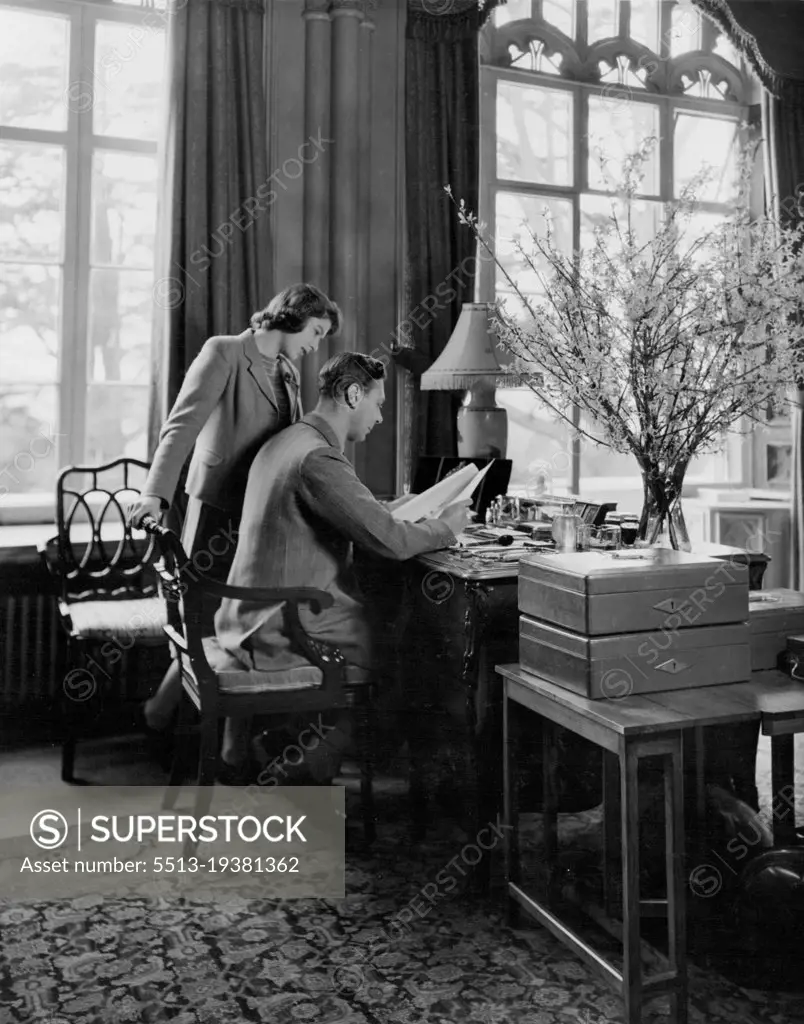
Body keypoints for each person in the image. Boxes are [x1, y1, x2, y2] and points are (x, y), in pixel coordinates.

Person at [212, 352, 471, 782]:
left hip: (247, 613)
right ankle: (295, 772)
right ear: (353, 395)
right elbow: (388, 540)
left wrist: (394, 510)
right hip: (283, 622)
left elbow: (357, 512)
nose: (381, 416)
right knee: (406, 656)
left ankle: (283, 751)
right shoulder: (318, 457)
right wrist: (445, 528)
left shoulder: (290, 440)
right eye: (379, 403)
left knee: (398, 639)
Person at [128, 284, 341, 746]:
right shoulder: (224, 352)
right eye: (317, 331)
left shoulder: (287, 371)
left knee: (245, 628)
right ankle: (182, 729)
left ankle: (199, 736)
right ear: (295, 316)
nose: (316, 344)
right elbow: (181, 426)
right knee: (205, 624)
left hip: (260, 516)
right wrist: (155, 495)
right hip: (215, 512)